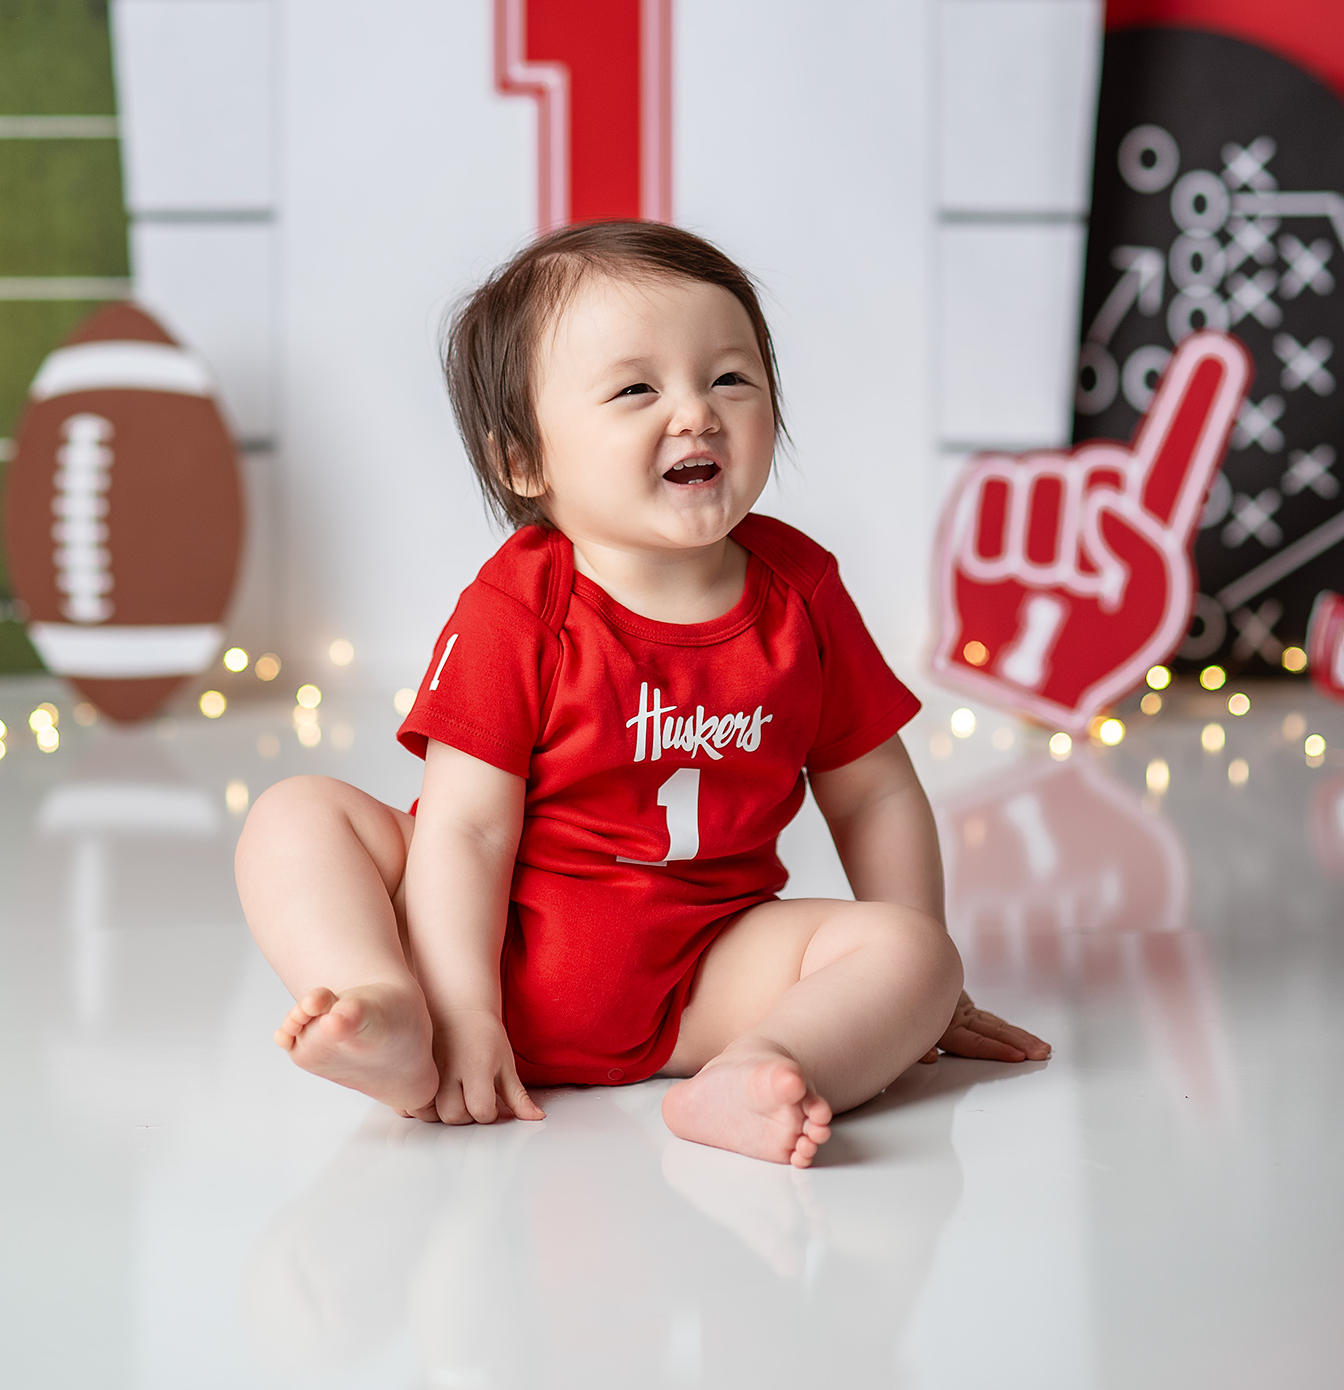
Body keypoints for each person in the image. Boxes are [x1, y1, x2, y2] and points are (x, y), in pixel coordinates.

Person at [236, 221, 1049, 1168]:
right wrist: (464, 1005)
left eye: (729, 378)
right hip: (494, 948)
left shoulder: (800, 593)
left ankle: (759, 1068)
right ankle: (389, 1008)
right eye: (636, 390)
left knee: (912, 951)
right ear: (522, 461)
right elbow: (468, 830)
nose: (696, 413)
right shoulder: (521, 607)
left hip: (704, 969)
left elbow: (873, 795)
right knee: (296, 817)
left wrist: (921, 995)